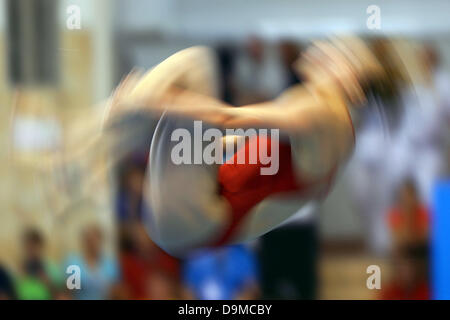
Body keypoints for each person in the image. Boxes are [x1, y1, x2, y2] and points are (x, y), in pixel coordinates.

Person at [65, 225, 119, 300]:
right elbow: (69, 293)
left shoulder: (110, 264)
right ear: (84, 241)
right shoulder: (74, 264)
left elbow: (114, 292)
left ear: (101, 240)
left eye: (95, 239)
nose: (92, 243)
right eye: (89, 239)